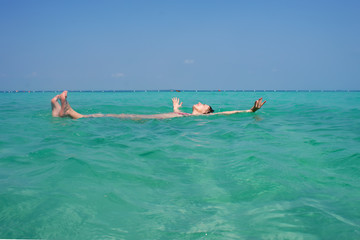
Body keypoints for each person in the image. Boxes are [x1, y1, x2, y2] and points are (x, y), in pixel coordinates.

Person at [51, 91, 266, 119]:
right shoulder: (184, 114)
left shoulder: (198, 119)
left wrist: (250, 110)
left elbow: (228, 112)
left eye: (203, 104)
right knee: (117, 115)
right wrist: (174, 108)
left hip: (148, 122)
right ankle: (58, 110)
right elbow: (177, 115)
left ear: (205, 113)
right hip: (156, 120)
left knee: (110, 116)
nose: (199, 102)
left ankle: (71, 111)